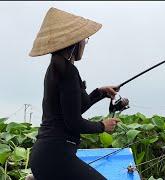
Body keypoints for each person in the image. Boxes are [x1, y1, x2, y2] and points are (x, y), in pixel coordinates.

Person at [28, 7, 119, 180]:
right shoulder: (68, 72)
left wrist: (100, 93)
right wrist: (102, 126)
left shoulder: (56, 69)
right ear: (75, 42)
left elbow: (74, 108)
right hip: (56, 155)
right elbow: (73, 122)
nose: (85, 43)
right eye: (84, 39)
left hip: (46, 154)